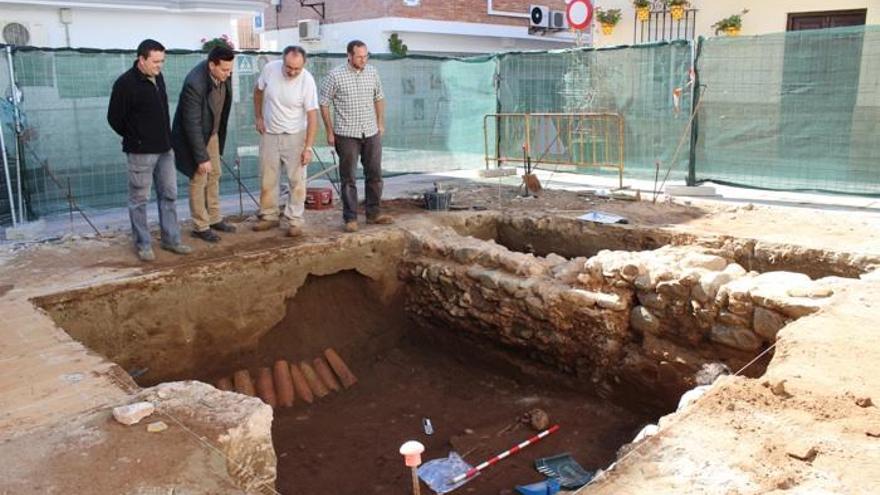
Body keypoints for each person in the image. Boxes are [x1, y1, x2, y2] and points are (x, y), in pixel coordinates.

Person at [107, 39, 192, 262]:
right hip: (140, 152)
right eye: (155, 61)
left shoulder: (158, 78)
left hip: (165, 149)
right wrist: (137, 138)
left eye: (162, 61)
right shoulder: (125, 84)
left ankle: (171, 239)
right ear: (141, 59)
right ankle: (143, 244)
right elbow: (114, 119)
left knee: (170, 195)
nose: (160, 66)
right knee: (139, 199)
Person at [319, 40, 392, 233]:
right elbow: (324, 103)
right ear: (349, 56)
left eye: (366, 56)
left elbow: (379, 97)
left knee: (375, 174)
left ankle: (374, 213)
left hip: (370, 131)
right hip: (346, 134)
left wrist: (380, 122)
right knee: (348, 178)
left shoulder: (372, 72)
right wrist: (329, 130)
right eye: (359, 56)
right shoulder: (334, 76)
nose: (363, 59)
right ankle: (350, 218)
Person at [171, 46, 236, 243]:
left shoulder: (224, 75)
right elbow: (192, 124)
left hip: (212, 133)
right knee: (199, 178)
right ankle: (200, 226)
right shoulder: (195, 84)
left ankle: (214, 218)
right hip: (194, 137)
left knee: (215, 174)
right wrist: (201, 157)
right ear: (211, 65)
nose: (228, 73)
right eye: (224, 70)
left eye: (230, 69)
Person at [252, 45, 318, 237]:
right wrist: (258, 117)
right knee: (268, 177)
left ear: (303, 65)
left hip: (295, 135)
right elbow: (257, 91)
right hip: (270, 133)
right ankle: (269, 216)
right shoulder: (270, 70)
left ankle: (295, 219)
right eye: (289, 67)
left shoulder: (307, 81)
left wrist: (308, 147)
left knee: (296, 180)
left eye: (297, 68)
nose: (292, 72)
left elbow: (313, 116)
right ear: (283, 60)